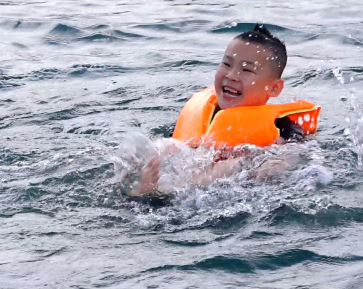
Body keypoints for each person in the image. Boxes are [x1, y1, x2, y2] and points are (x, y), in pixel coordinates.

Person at [123, 24, 320, 196]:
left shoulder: (283, 126)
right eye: (226, 64)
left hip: (232, 183)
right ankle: (149, 185)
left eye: (247, 70)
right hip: (195, 168)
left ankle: (158, 192)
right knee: (168, 145)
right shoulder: (206, 115)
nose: (232, 75)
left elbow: (296, 153)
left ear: (274, 88)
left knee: (230, 166)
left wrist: (276, 162)